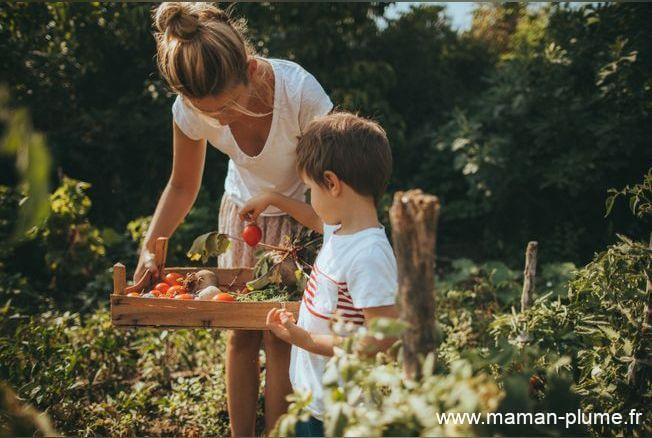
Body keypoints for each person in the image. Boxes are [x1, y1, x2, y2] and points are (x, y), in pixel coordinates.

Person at [134, 3, 333, 435]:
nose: (220, 120)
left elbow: (335, 188)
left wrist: (286, 204)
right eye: (209, 113)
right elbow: (183, 186)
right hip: (244, 216)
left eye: (227, 107)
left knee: (282, 336)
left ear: (250, 69)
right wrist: (150, 249)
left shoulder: (301, 95)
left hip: (303, 219)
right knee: (239, 332)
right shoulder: (188, 110)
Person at [239, 112, 399, 436]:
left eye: (311, 187)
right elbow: (315, 217)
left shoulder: (368, 255)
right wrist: (273, 199)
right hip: (313, 397)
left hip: (340, 412)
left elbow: (383, 337)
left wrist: (306, 339)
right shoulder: (340, 230)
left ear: (332, 183)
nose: (311, 196)